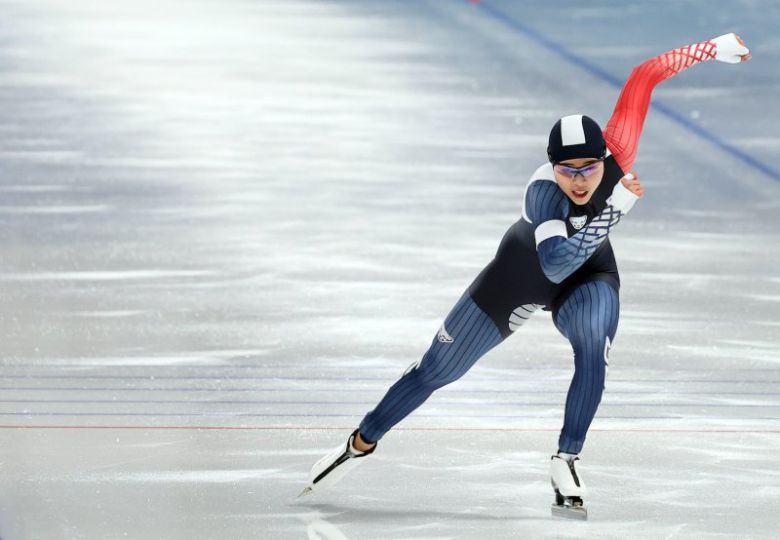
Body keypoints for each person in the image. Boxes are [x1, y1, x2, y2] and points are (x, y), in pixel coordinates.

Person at [301, 33, 751, 519]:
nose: (579, 180)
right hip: (521, 276)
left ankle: (566, 458)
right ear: (552, 166)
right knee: (436, 371)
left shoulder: (617, 151)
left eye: (589, 168)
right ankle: (359, 443)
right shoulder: (543, 193)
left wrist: (714, 47)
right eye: (567, 170)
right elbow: (556, 262)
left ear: (606, 157)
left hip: (588, 273)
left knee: (593, 341)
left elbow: (645, 76)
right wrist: (614, 209)